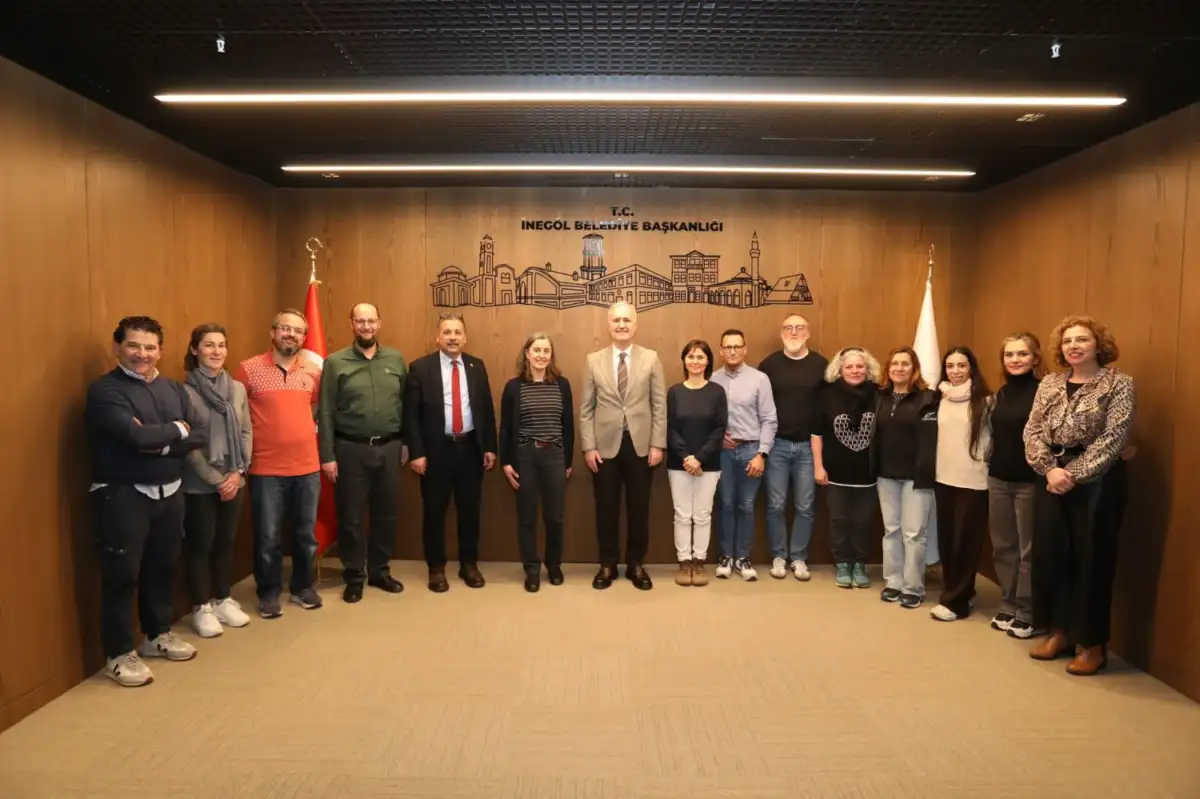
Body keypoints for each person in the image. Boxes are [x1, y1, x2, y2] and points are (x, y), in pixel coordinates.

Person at [85, 316, 208, 687]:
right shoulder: (105, 390)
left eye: (150, 347)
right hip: (124, 494)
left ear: (161, 351)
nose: (142, 354)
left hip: (170, 492)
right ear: (117, 347)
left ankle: (157, 634)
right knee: (122, 576)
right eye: (134, 346)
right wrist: (176, 431)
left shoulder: (173, 388)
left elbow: (199, 433)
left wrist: (161, 441)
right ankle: (119, 653)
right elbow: (135, 438)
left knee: (163, 566)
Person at [1025, 316, 1135, 676]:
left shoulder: (1118, 383)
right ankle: (1059, 632)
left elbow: (1115, 437)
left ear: (1098, 345)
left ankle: (1092, 644)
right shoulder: (1050, 383)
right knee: (1051, 555)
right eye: (1067, 340)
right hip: (1050, 477)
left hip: (1097, 481)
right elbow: (1032, 431)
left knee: (1092, 560)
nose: (1073, 346)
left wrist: (1073, 474)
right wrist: (1049, 470)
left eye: (1082, 339)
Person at [235, 309, 324, 618]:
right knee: (267, 536)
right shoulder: (248, 369)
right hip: (266, 469)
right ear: (273, 332)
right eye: (285, 328)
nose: (291, 335)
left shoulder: (313, 370)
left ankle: (302, 587)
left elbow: (315, 409)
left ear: (304, 337)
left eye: (298, 331)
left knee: (305, 534)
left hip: (307, 467)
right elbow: (237, 415)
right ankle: (269, 592)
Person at [319, 303, 407, 603]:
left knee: (386, 514)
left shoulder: (395, 359)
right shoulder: (335, 362)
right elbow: (326, 411)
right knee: (352, 517)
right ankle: (354, 576)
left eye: (371, 321)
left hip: (390, 447)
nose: (366, 326)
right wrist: (327, 455)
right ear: (351, 324)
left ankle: (380, 571)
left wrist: (406, 442)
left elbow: (405, 404)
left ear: (379, 323)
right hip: (350, 449)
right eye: (360, 321)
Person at [405, 312, 498, 593]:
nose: (453, 337)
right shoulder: (420, 368)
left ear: (465, 337)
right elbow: (411, 415)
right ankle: (436, 568)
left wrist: (489, 447)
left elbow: (485, 408)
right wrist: (416, 452)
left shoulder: (476, 365)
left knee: (470, 511)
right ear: (438, 337)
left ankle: (468, 565)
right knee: (434, 512)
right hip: (436, 451)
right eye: (447, 332)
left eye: (458, 332)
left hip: (470, 449)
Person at [579, 301, 667, 590]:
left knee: (639, 509)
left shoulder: (651, 358)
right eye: (616, 320)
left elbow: (659, 405)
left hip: (641, 446)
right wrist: (588, 447)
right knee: (606, 508)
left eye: (626, 320)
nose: (621, 325)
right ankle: (607, 564)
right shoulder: (593, 360)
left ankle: (635, 563)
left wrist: (658, 444)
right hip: (604, 448)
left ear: (635, 325)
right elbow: (586, 409)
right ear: (609, 325)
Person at [182, 324, 252, 638]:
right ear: (195, 349)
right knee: (200, 545)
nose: (216, 351)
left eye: (221, 345)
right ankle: (201, 606)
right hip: (199, 483)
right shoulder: (183, 391)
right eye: (209, 345)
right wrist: (215, 479)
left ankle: (223, 598)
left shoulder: (236, 389)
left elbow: (246, 431)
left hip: (235, 477)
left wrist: (237, 473)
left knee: (225, 542)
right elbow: (187, 443)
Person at [499, 332, 574, 592]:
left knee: (555, 517)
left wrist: (567, 461)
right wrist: (506, 462)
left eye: (546, 351)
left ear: (551, 356)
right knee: (527, 517)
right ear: (527, 354)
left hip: (554, 455)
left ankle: (554, 565)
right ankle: (531, 568)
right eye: (537, 350)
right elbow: (506, 428)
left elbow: (568, 425)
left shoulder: (562, 385)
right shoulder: (514, 387)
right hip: (525, 456)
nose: (541, 355)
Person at [759, 314, 828, 581]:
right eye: (788, 328)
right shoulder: (769, 365)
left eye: (799, 328)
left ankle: (798, 558)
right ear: (781, 333)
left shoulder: (821, 365)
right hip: (776, 446)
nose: (794, 332)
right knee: (775, 505)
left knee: (805, 506)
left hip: (809, 448)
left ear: (808, 333)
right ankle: (779, 556)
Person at [986, 333, 1046, 638]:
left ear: (1035, 358)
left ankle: (1027, 609)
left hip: (1029, 482)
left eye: (1022, 354)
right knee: (1003, 547)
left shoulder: (1045, 392)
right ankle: (1008, 602)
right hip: (998, 478)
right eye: (1009, 355)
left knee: (1028, 551)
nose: (1015, 360)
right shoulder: (1002, 393)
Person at [930, 347, 992, 622]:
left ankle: (956, 603)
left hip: (973, 481)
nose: (955, 371)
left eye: (961, 365)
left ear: (971, 368)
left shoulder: (986, 401)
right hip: (943, 478)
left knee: (965, 542)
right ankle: (960, 591)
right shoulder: (938, 398)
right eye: (950, 366)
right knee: (947, 540)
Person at [874, 347, 939, 609]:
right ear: (888, 369)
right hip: (885, 474)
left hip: (916, 476)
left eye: (905, 364)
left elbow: (932, 439)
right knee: (891, 531)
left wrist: (925, 471)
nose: (899, 368)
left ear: (914, 369)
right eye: (895, 363)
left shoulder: (928, 399)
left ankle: (913, 587)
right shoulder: (880, 398)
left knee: (914, 533)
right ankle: (894, 582)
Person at [710, 329, 777, 581]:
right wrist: (717, 438)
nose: (732, 351)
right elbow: (706, 418)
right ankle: (726, 556)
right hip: (723, 452)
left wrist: (762, 453)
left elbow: (769, 419)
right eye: (727, 347)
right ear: (721, 351)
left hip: (751, 449)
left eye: (737, 346)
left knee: (746, 505)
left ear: (745, 349)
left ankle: (743, 557)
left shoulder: (760, 379)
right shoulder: (713, 379)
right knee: (726, 503)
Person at [812, 347, 881, 589]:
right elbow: (816, 434)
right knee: (839, 520)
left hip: (869, 473)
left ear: (868, 369)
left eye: (860, 366)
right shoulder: (827, 395)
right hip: (835, 472)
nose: (855, 370)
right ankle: (842, 563)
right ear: (839, 370)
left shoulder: (879, 394)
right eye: (849, 366)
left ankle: (859, 564)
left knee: (863, 521)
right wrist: (818, 466)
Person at [666, 339, 727, 587]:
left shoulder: (717, 392)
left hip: (708, 464)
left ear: (708, 361)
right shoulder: (674, 392)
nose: (695, 361)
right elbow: (670, 428)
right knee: (682, 515)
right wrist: (686, 457)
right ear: (684, 360)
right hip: (678, 463)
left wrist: (699, 457)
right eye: (691, 356)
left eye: (700, 356)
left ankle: (699, 562)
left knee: (702, 515)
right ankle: (684, 562)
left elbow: (720, 429)